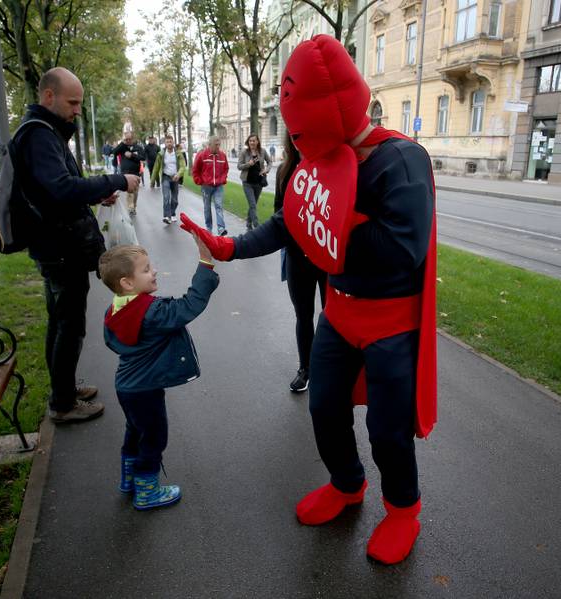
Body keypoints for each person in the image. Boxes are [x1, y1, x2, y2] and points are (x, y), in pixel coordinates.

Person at [180, 35, 436, 565]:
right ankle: (347, 485)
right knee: (323, 407)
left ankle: (402, 509)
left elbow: (402, 249)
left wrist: (337, 231)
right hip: (339, 317)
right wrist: (228, 246)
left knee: (387, 430)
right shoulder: (317, 160)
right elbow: (289, 222)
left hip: (390, 325)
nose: (296, 141)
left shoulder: (402, 160)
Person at [16, 67, 141, 423]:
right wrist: (116, 179)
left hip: (54, 245)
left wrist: (94, 195)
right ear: (48, 96)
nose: (76, 111)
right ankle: (63, 404)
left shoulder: (45, 133)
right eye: (72, 103)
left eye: (80, 104)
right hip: (59, 249)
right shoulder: (40, 136)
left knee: (61, 321)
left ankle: (64, 389)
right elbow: (61, 189)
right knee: (68, 325)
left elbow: (57, 190)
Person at [100, 238, 220, 509]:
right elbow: (188, 306)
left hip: (126, 387)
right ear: (127, 283)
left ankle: (129, 479)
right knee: (154, 437)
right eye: (145, 269)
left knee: (136, 431)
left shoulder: (115, 308)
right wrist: (206, 263)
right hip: (145, 390)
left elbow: (111, 341)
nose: (153, 271)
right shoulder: (150, 312)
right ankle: (147, 491)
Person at [275, 133, 326, 393]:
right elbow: (277, 217)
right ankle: (305, 368)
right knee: (303, 316)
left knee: (332, 317)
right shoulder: (285, 172)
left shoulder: (330, 169)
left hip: (328, 261)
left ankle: (330, 370)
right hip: (298, 258)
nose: (300, 140)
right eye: (295, 136)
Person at [191, 136, 229, 236]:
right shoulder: (202, 155)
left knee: (219, 206)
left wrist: (223, 179)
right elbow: (195, 170)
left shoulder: (222, 156)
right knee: (207, 208)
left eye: (219, 145)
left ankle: (221, 228)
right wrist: (199, 181)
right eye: (216, 145)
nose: (218, 147)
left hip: (218, 186)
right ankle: (209, 228)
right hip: (206, 186)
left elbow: (226, 169)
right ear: (210, 145)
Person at [237, 134, 272, 231]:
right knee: (252, 204)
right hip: (247, 183)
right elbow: (239, 166)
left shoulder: (262, 151)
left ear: (257, 141)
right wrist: (248, 164)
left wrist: (266, 170)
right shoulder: (244, 152)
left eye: (254, 140)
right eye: (250, 141)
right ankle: (257, 226)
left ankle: (248, 223)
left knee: (253, 205)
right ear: (248, 142)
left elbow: (270, 162)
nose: (252, 142)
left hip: (259, 182)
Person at [151, 134, 186, 224]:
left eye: (170, 141)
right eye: (167, 142)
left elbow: (183, 166)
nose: (169, 143)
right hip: (166, 177)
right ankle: (167, 216)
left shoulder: (178, 153)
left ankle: (172, 213)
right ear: (165, 143)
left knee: (175, 200)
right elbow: (156, 167)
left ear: (173, 142)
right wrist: (152, 181)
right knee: (166, 197)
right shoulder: (161, 154)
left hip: (175, 178)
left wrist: (178, 174)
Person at [113, 131, 144, 216]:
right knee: (130, 191)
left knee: (135, 192)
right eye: (126, 139)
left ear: (133, 139)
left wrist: (132, 155)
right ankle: (130, 208)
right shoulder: (122, 147)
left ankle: (133, 206)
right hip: (126, 173)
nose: (128, 141)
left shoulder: (138, 147)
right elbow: (114, 152)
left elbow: (143, 157)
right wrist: (122, 143)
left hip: (135, 173)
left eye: (129, 139)